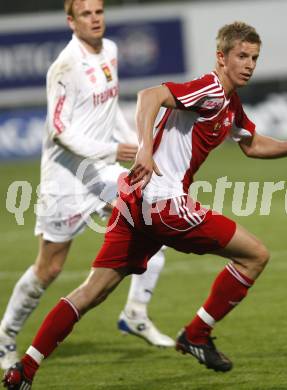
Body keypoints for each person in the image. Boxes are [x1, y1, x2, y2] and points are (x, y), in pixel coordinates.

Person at [3, 20, 287, 388]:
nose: (249, 64)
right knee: (255, 256)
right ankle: (196, 334)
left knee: (92, 291)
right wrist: (145, 149)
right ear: (221, 57)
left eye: (254, 58)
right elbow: (149, 95)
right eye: (241, 56)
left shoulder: (229, 103)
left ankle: (25, 368)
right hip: (164, 202)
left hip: (135, 202)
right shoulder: (211, 89)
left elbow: (250, 143)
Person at [0, 0, 175, 372]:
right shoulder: (64, 66)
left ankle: (135, 313)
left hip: (101, 171)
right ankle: (5, 338)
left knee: (154, 221)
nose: (95, 19)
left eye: (98, 12)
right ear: (71, 21)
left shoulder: (109, 50)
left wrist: (139, 149)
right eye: (86, 14)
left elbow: (108, 113)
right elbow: (60, 131)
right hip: (65, 180)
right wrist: (114, 149)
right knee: (48, 269)